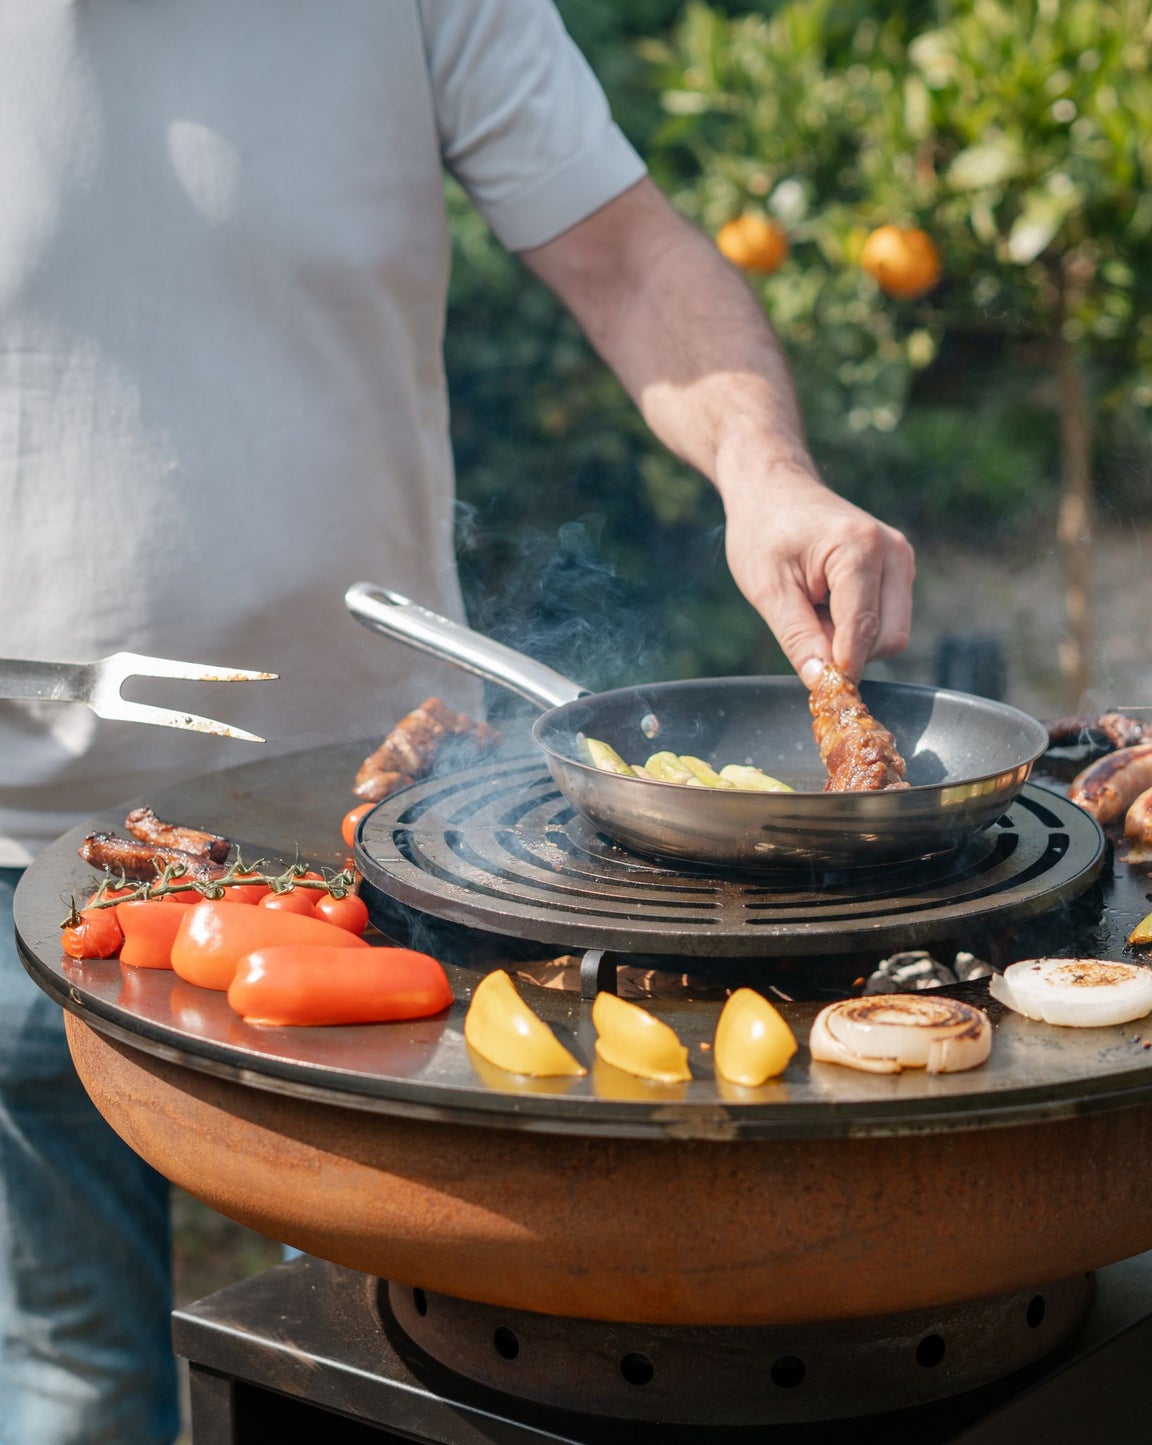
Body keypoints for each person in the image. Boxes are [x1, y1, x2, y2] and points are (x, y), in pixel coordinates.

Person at [0, 2, 914, 1440]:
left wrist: (769, 470)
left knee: (396, 1371)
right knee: (71, 1379)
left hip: (382, 852)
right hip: (26, 860)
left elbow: (626, 253)